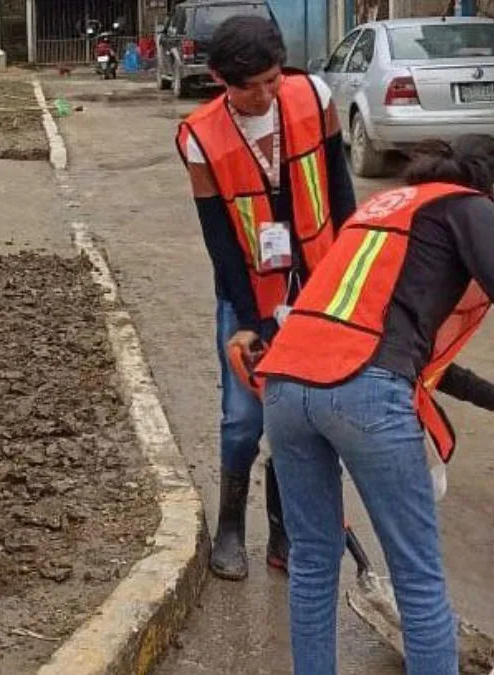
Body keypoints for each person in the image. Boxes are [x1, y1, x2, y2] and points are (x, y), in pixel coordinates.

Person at [256, 135, 494, 674]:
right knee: (417, 576)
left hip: (286, 384)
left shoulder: (381, 212)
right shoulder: (467, 206)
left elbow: (384, 341)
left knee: (314, 563)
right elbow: (381, 356)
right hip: (364, 391)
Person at [175, 15, 356, 581]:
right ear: (218, 79)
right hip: (248, 291)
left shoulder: (314, 95)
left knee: (299, 413)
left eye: (271, 81)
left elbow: (342, 191)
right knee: (243, 416)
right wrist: (251, 320)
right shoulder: (200, 137)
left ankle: (285, 532)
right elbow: (219, 240)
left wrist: (350, 283)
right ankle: (231, 527)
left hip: (318, 282)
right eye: (247, 86)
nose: (263, 96)